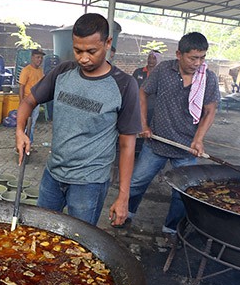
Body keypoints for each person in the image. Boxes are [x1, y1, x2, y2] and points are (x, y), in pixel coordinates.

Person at [15, 13, 141, 226]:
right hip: (53, 174)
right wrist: (20, 131)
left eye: (91, 51)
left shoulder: (125, 85)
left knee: (79, 239)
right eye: (78, 50)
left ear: (108, 43)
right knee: (40, 231)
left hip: (89, 183)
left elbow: (127, 144)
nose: (83, 58)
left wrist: (123, 196)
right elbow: (28, 101)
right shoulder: (63, 72)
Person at [116, 32, 220, 237]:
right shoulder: (163, 70)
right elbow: (142, 93)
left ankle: (171, 229)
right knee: (136, 183)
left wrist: (198, 140)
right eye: (193, 58)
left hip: (186, 148)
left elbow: (210, 111)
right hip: (156, 143)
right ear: (179, 54)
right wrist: (143, 124)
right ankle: (125, 214)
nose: (198, 63)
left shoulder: (208, 78)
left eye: (202, 58)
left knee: (183, 193)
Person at [18, 48, 45, 144]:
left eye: (41, 58)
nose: (40, 60)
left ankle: (29, 143)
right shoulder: (26, 70)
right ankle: (22, 144)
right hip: (27, 101)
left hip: (36, 101)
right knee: (25, 124)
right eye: (38, 57)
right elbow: (21, 87)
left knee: (32, 124)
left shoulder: (40, 71)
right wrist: (22, 102)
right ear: (32, 58)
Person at [132, 50, 162, 126]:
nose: (151, 60)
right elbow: (132, 88)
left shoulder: (160, 75)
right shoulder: (138, 72)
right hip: (137, 106)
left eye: (154, 58)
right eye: (149, 58)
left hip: (153, 108)